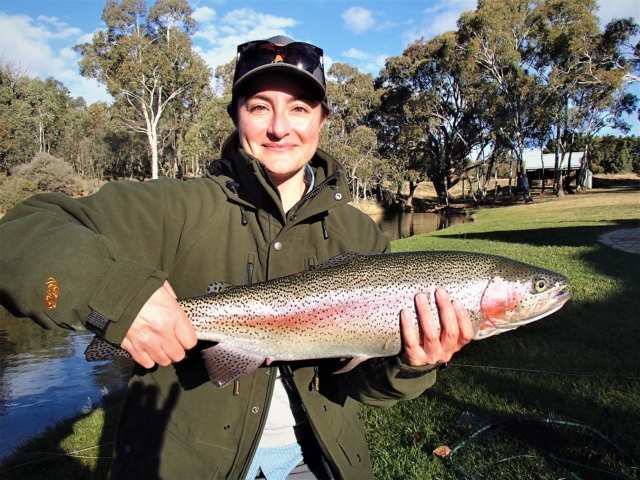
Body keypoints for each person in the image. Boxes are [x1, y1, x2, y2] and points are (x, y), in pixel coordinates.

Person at [0, 35, 474, 479]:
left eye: (300, 108)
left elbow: (366, 387)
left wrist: (415, 364)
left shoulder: (360, 233)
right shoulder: (173, 208)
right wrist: (116, 297)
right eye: (259, 107)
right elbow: (19, 234)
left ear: (323, 120)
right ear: (236, 117)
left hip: (321, 463)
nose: (279, 127)